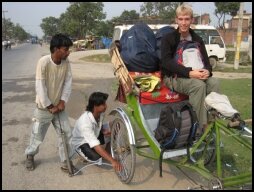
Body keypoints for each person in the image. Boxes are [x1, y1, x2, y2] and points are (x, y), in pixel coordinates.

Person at [161, 4, 220, 135]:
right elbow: (166, 62)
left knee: (214, 82)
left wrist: (207, 71)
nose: (184, 22)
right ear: (176, 20)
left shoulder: (198, 39)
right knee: (198, 86)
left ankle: (211, 122)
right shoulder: (168, 38)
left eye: (187, 19)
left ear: (192, 20)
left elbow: (206, 61)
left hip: (195, 74)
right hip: (174, 77)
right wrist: (189, 73)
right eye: (181, 19)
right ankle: (198, 127)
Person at [25, 33, 75, 173]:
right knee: (37, 135)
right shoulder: (44, 62)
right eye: (66, 49)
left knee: (66, 133)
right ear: (56, 49)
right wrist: (49, 106)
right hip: (44, 107)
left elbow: (68, 83)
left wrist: (62, 102)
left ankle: (66, 161)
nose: (68, 52)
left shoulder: (66, 63)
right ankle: (30, 155)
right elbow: (40, 86)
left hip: (59, 107)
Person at [71, 92, 122, 172]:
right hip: (82, 143)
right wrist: (113, 161)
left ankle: (109, 152)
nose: (106, 106)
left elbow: (98, 125)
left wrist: (104, 131)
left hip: (94, 133)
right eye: (103, 104)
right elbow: (95, 145)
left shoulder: (100, 113)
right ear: (95, 106)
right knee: (96, 157)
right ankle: (82, 155)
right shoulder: (85, 122)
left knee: (116, 124)